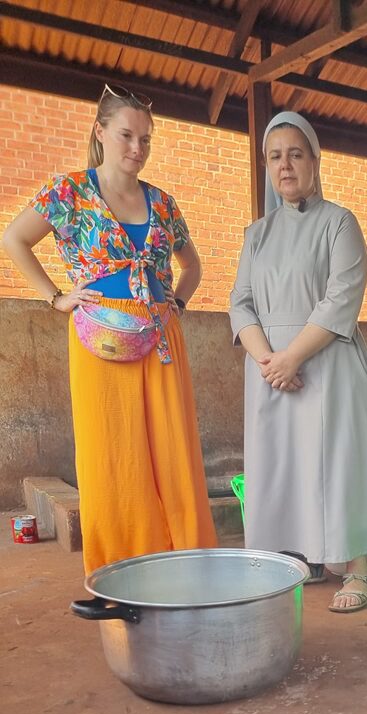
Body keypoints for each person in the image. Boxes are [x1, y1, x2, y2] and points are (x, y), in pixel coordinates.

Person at [1, 84, 217, 573]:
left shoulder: (163, 204)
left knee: (173, 451)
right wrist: (57, 298)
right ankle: (121, 567)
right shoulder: (68, 192)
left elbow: (193, 266)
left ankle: (186, 562)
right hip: (99, 342)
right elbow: (14, 238)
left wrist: (176, 303)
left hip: (161, 341)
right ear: (101, 132)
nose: (136, 149)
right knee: (113, 455)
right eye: (126, 136)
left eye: (145, 139)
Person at [229, 111, 367, 613]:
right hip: (271, 370)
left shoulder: (339, 222)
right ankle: (302, 559)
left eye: (296, 154)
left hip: (327, 365)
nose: (286, 165)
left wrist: (292, 356)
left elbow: (342, 297)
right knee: (282, 466)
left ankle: (359, 571)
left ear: (315, 160)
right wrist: (268, 360)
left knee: (337, 463)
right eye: (276, 157)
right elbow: (241, 303)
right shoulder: (257, 234)